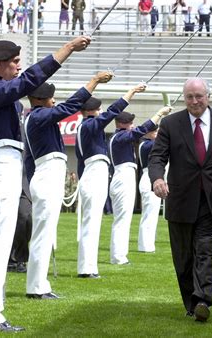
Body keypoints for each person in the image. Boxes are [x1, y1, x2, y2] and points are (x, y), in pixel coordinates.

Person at [0, 35, 91, 332]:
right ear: (0, 65)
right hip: (1, 167)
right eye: (14, 62)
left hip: (8, 167)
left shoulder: (1, 95)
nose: (18, 66)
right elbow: (29, 80)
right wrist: (66, 49)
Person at [148, 77, 212, 322]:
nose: (194, 101)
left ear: (208, 97)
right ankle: (191, 302)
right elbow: (157, 156)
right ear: (185, 98)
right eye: (189, 97)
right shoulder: (171, 123)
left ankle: (203, 300)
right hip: (179, 199)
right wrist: (158, 178)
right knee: (183, 258)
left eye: (199, 96)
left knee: (205, 250)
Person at [24, 72, 112, 299]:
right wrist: (92, 81)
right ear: (42, 99)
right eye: (51, 97)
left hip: (45, 174)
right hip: (47, 175)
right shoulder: (39, 115)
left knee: (45, 232)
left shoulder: (38, 117)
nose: (54, 101)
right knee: (43, 234)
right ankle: (36, 287)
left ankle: (39, 285)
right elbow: (69, 107)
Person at [75, 84, 148, 278]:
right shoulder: (90, 125)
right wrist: (129, 94)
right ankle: (87, 268)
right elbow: (112, 112)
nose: (101, 112)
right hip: (93, 173)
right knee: (91, 223)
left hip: (93, 173)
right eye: (98, 109)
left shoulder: (87, 126)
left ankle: (88, 266)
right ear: (91, 111)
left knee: (92, 222)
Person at [108, 106, 171, 264]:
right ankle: (118, 256)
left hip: (125, 176)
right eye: (130, 123)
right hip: (123, 176)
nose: (132, 125)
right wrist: (159, 114)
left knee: (124, 218)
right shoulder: (121, 136)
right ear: (122, 124)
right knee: (122, 219)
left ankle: (120, 255)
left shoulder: (120, 136)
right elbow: (141, 130)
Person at [138, 128, 162, 253]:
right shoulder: (147, 144)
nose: (157, 134)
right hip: (148, 178)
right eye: (155, 132)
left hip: (149, 177)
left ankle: (148, 244)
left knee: (152, 214)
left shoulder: (148, 143)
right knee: (149, 214)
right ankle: (145, 245)